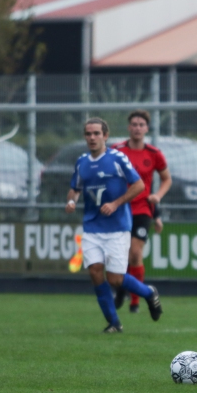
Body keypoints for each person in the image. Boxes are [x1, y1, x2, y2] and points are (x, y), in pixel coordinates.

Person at [66, 117, 163, 333]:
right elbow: (75, 189)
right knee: (95, 272)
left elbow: (139, 185)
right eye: (88, 134)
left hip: (117, 227)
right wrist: (72, 201)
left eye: (96, 133)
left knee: (115, 279)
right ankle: (114, 323)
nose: (92, 137)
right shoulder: (82, 162)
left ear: (105, 136)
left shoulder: (117, 158)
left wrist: (116, 203)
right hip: (92, 226)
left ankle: (149, 293)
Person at [111, 110, 172, 314]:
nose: (137, 128)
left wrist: (158, 197)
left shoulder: (154, 153)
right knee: (120, 256)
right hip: (120, 209)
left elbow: (166, 179)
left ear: (147, 128)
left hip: (142, 209)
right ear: (129, 127)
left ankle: (135, 301)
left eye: (141, 125)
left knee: (135, 254)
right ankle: (122, 289)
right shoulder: (116, 150)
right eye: (134, 124)